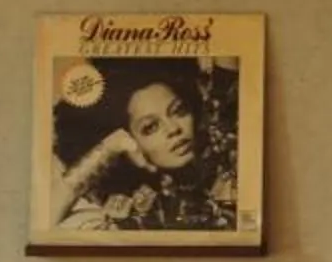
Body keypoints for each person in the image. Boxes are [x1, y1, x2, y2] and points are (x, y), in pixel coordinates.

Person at [51, 61, 237, 235]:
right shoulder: (126, 216)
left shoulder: (227, 168)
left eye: (179, 111)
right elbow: (46, 223)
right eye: (150, 127)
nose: (173, 129)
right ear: (131, 142)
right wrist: (112, 145)